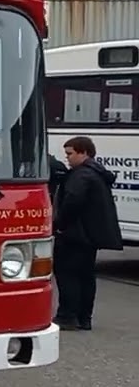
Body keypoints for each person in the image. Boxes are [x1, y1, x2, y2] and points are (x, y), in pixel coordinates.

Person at [51, 136, 123, 330]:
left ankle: (67, 316)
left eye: (70, 154)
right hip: (89, 237)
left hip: (74, 235)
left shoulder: (81, 175)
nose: (67, 158)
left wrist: (58, 224)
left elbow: (72, 202)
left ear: (83, 152)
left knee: (68, 275)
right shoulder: (97, 173)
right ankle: (84, 317)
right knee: (86, 276)